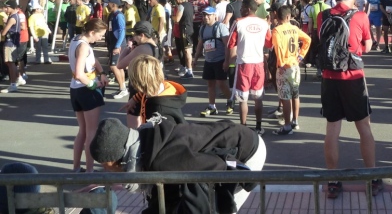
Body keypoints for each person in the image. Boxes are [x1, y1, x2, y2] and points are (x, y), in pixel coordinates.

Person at [90, 116, 266, 214]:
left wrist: (243, 177)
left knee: (220, 207)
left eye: (104, 166)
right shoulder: (146, 143)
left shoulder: (162, 159)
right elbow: (164, 196)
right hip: (230, 140)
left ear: (113, 160)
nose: (105, 171)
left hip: (246, 151)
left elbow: (215, 167)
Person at [316, 0, 382, 199]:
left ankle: (333, 180)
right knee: (364, 128)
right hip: (353, 76)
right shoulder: (360, 16)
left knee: (332, 130)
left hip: (329, 77)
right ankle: (372, 177)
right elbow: (368, 46)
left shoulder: (323, 15)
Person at [227, 0, 272, 135]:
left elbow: (230, 43)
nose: (240, 10)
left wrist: (227, 61)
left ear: (247, 9)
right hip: (258, 64)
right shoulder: (264, 23)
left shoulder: (238, 22)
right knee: (258, 98)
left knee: (243, 99)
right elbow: (269, 44)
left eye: (242, 8)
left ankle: (244, 128)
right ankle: (258, 127)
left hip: (244, 64)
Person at [69, 18, 109, 173]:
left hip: (75, 89)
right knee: (91, 131)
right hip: (86, 89)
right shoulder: (84, 46)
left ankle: (76, 168)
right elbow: (80, 73)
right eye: (100, 35)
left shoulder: (76, 40)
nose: (101, 38)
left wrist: (102, 72)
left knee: (83, 131)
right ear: (92, 32)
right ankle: (90, 171)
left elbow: (92, 60)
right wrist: (94, 84)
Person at [271, 5, 311, 135]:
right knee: (295, 94)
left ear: (277, 16)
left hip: (284, 66)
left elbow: (278, 47)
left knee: (285, 97)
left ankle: (287, 126)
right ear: (288, 16)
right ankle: (295, 121)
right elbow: (307, 39)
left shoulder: (277, 30)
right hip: (295, 64)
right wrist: (301, 55)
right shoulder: (294, 28)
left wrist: (281, 63)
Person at [117, 21, 163, 128]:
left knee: (134, 125)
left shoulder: (142, 48)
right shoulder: (156, 46)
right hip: (151, 87)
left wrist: (128, 48)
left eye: (134, 35)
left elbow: (120, 65)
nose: (133, 38)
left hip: (139, 88)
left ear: (142, 35)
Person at [193, 6, 233, 116]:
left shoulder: (221, 27)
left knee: (221, 83)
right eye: (204, 15)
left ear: (214, 16)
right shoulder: (203, 28)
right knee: (210, 84)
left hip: (220, 60)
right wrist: (195, 59)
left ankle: (230, 100)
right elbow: (200, 44)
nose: (206, 17)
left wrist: (227, 61)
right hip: (209, 61)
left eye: (208, 15)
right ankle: (212, 106)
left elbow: (227, 45)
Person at [125, 55, 187, 124]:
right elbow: (146, 91)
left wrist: (144, 129)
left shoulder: (158, 112)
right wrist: (135, 99)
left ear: (136, 81)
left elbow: (162, 131)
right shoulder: (161, 87)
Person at [1, 0, 23, 93]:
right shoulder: (15, 16)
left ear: (12, 7)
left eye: (7, 7)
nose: (6, 9)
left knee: (10, 63)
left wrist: (5, 24)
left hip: (10, 43)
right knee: (9, 62)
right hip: (14, 42)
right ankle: (19, 78)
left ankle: (13, 84)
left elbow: (4, 32)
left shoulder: (12, 18)